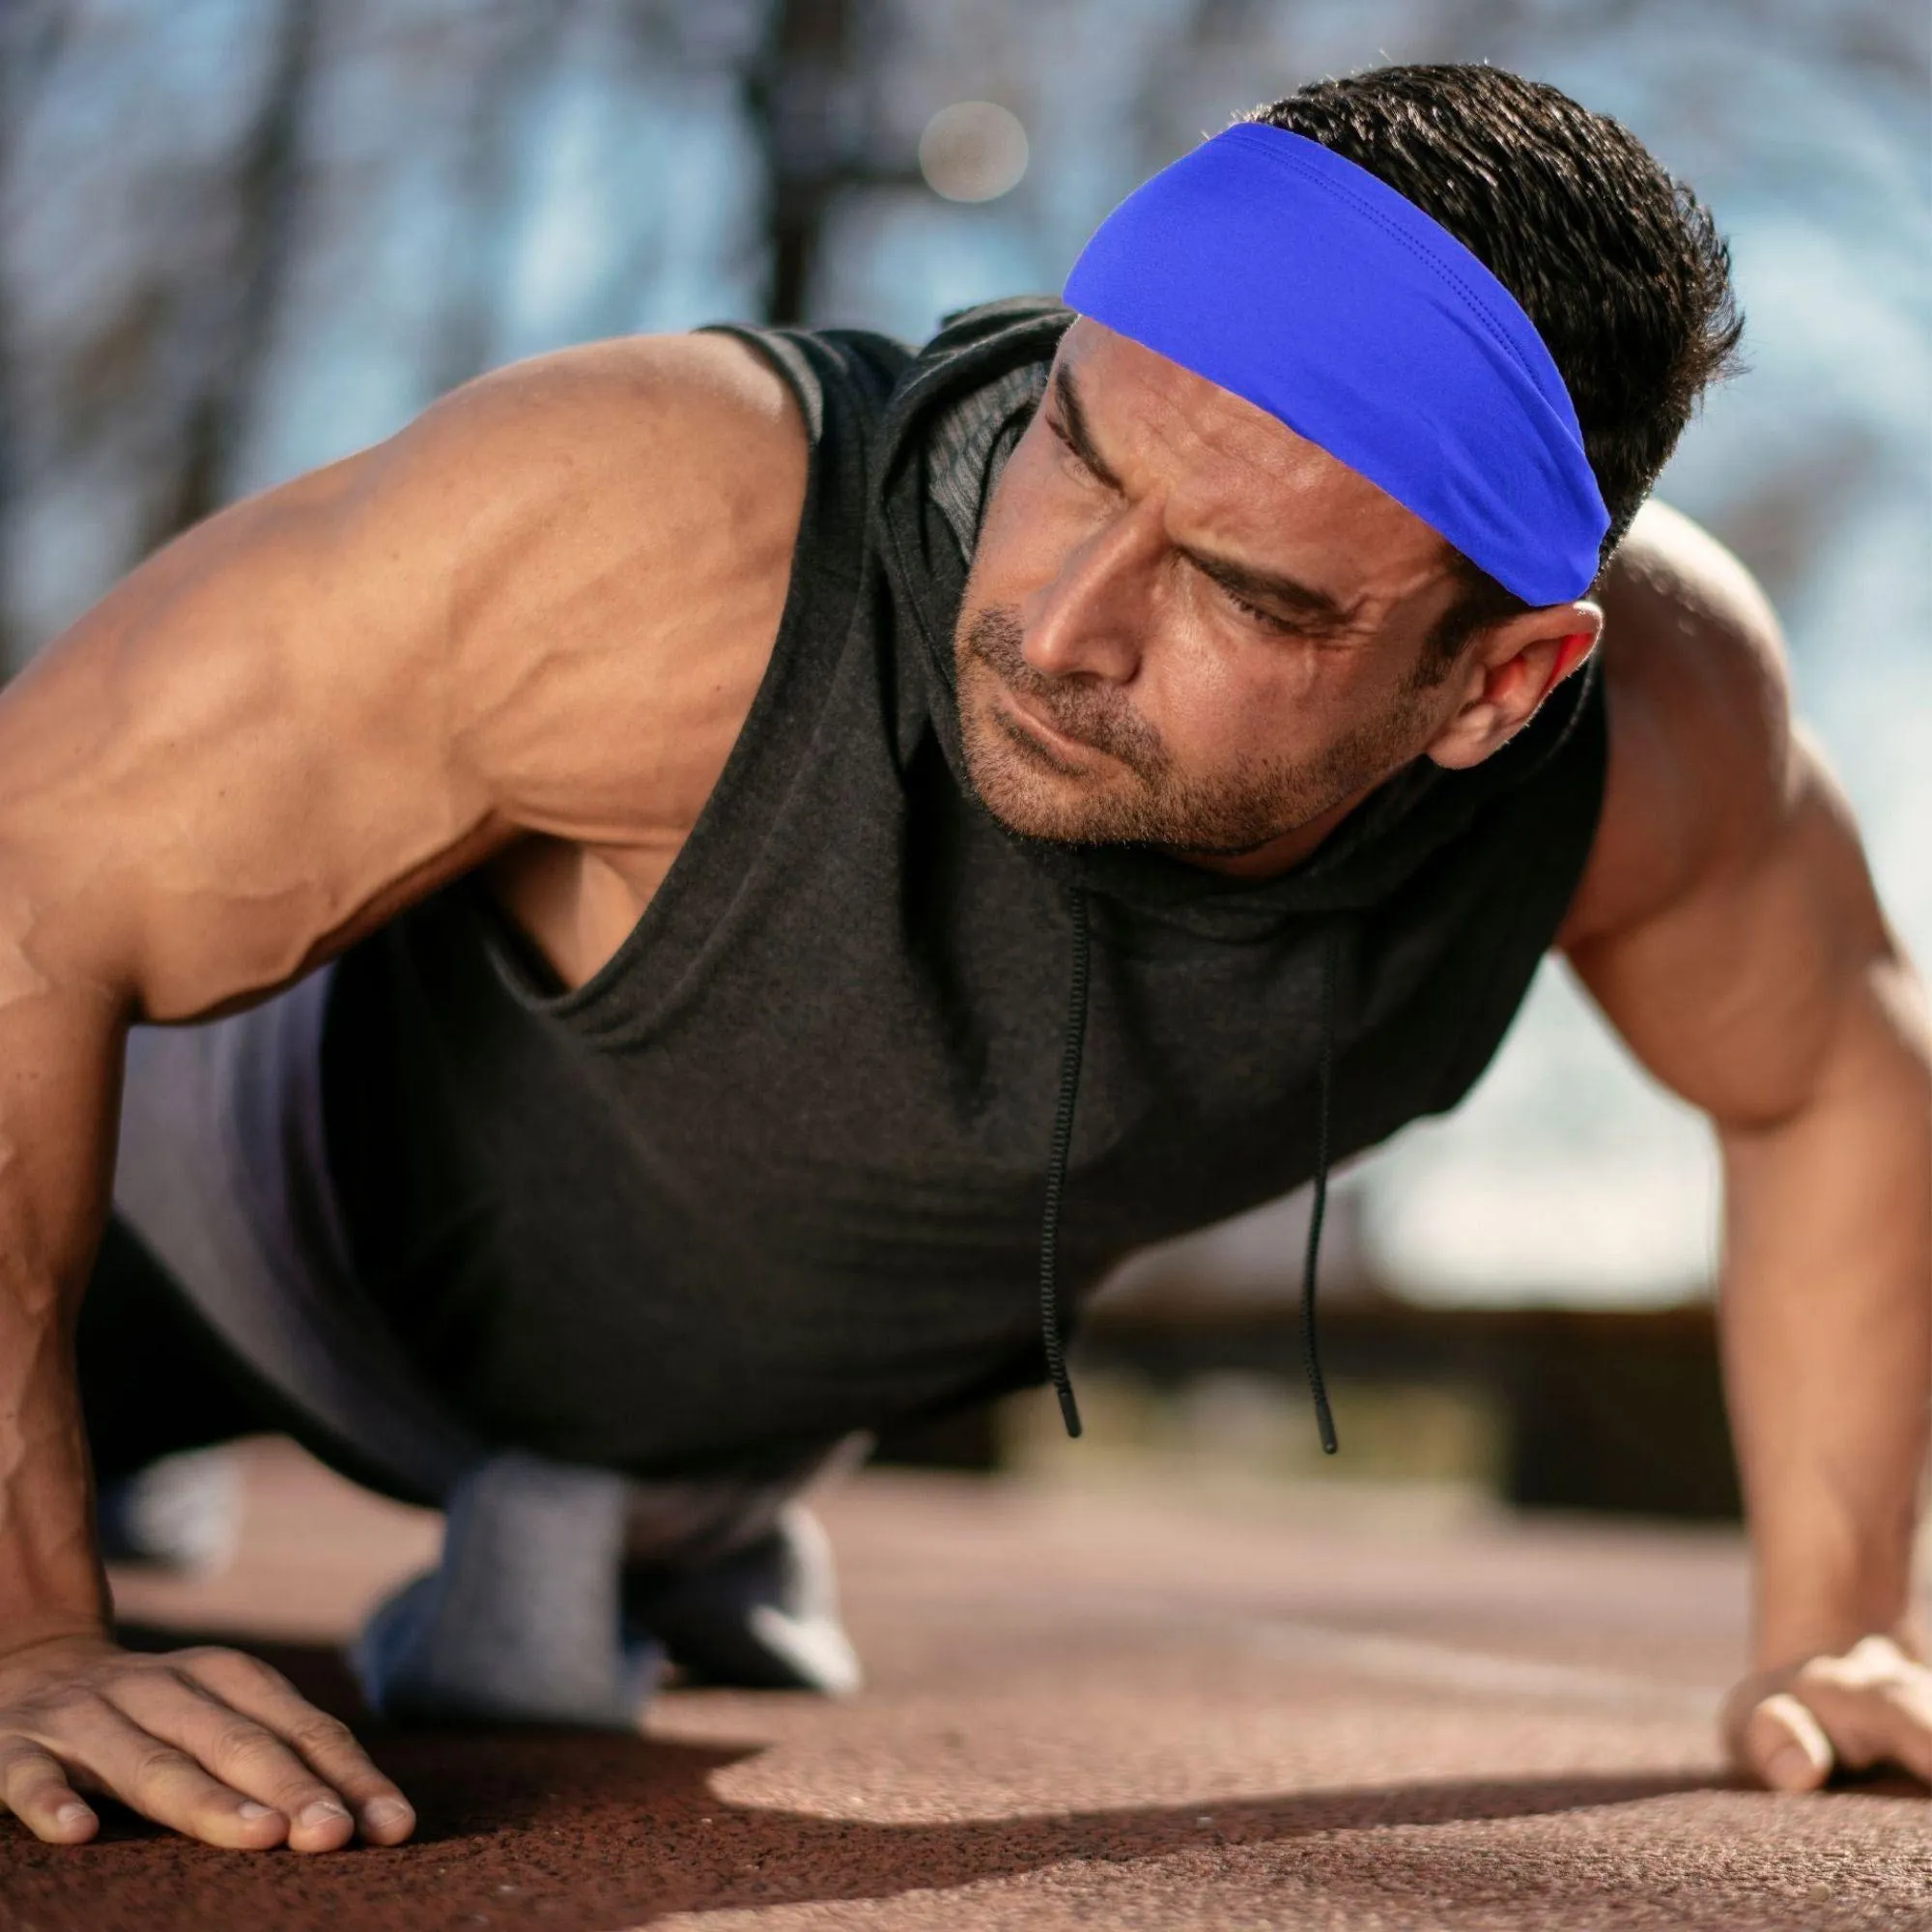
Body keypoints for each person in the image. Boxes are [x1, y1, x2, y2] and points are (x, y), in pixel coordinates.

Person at [0, 62, 1926, 1857]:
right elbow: (33, 868)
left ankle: (639, 1515)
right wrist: (28, 1631)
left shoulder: (1659, 732)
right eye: (1077, 456)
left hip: (694, 1432)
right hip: (202, 1236)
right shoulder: (658, 526)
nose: (1062, 620)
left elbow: (1834, 1070)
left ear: (1500, 683)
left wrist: (1833, 1627)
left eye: (1245, 592)